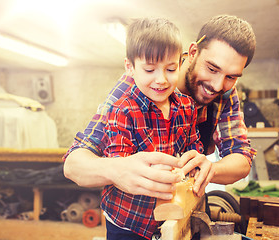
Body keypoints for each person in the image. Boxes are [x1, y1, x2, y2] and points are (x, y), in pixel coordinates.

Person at [64, 13, 256, 230]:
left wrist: (209, 168)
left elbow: (242, 158)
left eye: (231, 77)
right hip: (133, 220)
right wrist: (116, 169)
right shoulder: (134, 88)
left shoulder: (224, 92)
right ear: (192, 52)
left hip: (185, 213)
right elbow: (73, 165)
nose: (218, 85)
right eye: (212, 69)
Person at [64, 18, 204, 239]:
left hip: (172, 215)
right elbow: (121, 164)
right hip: (128, 222)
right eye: (149, 70)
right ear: (130, 67)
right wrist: (151, 173)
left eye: (170, 68)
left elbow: (193, 146)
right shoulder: (122, 111)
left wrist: (193, 162)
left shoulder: (186, 106)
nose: (161, 80)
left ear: (180, 62)